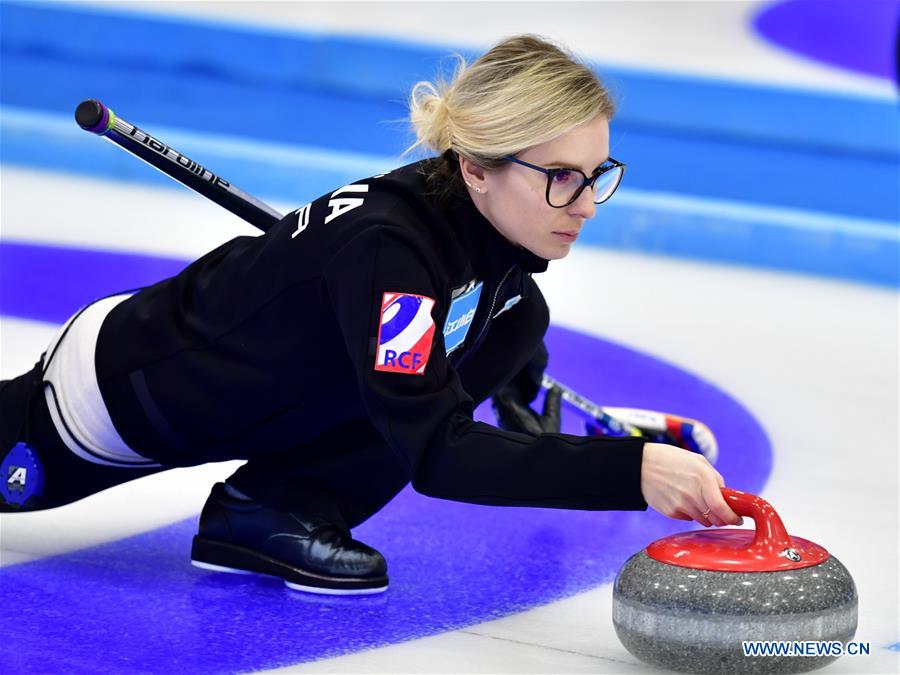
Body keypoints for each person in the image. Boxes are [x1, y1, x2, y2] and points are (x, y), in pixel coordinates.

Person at [0, 34, 739, 595]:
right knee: (447, 379)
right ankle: (263, 507)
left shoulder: (486, 248)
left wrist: (517, 378)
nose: (584, 204)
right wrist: (630, 469)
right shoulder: (395, 256)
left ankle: (271, 510)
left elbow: (501, 322)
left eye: (596, 175)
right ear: (476, 168)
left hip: (245, 391)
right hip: (109, 398)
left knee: (514, 323)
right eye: (561, 178)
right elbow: (439, 452)